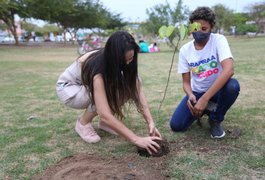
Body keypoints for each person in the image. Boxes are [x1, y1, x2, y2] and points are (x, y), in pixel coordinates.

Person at [56, 30, 162, 155]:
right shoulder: (98, 70)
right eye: (125, 60)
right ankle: (83, 124)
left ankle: (106, 125)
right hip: (69, 89)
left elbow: (137, 89)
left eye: (131, 58)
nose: (128, 63)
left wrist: (150, 121)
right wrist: (136, 139)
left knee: (128, 85)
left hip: (86, 86)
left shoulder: (123, 62)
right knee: (103, 94)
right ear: (115, 57)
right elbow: (104, 114)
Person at [170, 7, 240, 139]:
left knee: (233, 86)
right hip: (197, 93)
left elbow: (229, 70)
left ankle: (215, 119)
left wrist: (204, 99)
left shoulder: (218, 40)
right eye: (195, 28)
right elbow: (185, 82)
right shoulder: (185, 50)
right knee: (177, 125)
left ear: (211, 27)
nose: (199, 32)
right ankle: (206, 108)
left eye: (204, 29)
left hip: (218, 91)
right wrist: (190, 95)